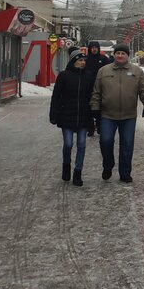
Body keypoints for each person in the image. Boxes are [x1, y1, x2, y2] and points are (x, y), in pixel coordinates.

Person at [90, 42, 144, 184]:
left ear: (127, 56)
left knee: (127, 145)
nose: (120, 55)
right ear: (114, 55)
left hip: (129, 116)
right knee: (105, 141)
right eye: (117, 53)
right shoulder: (103, 71)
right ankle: (108, 164)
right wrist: (95, 107)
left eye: (123, 53)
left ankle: (125, 173)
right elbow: (96, 92)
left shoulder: (137, 71)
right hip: (107, 115)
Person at [49, 48, 95, 187]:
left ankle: (77, 172)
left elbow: (93, 96)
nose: (82, 62)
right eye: (80, 60)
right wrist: (54, 113)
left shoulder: (89, 76)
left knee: (81, 144)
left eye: (84, 60)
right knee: (68, 144)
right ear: (73, 61)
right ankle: (66, 165)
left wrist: (93, 116)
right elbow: (56, 96)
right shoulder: (64, 76)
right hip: (67, 115)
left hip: (83, 116)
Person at [83, 41, 113, 137]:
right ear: (89, 49)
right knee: (88, 108)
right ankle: (90, 128)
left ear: (98, 48)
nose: (94, 49)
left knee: (100, 108)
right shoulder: (85, 59)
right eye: (92, 47)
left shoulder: (103, 59)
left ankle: (100, 127)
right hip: (87, 87)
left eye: (96, 47)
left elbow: (109, 72)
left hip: (101, 87)